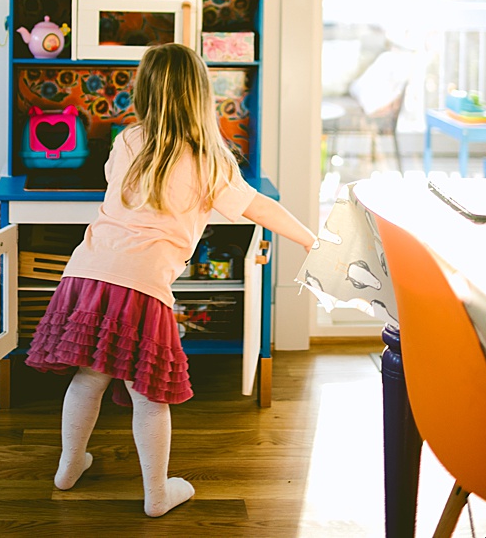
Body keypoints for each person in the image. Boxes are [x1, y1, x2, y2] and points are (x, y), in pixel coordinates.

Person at [26, 43, 317, 517]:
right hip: (142, 285)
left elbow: (115, 185)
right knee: (150, 396)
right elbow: (256, 207)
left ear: (144, 94)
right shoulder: (211, 159)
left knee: (87, 379)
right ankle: (157, 494)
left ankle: (69, 464)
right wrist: (308, 239)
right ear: (201, 96)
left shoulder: (127, 141)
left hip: (88, 271)